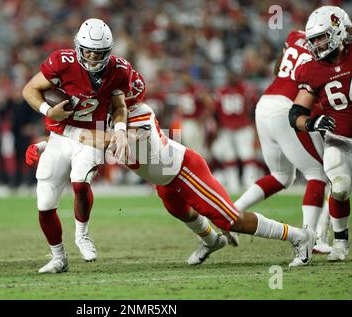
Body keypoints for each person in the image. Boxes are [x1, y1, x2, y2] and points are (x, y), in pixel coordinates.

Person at [27, 71, 317, 268]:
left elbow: (107, 141)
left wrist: (60, 134)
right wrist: (44, 147)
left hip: (183, 171)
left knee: (231, 220)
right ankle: (210, 242)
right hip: (163, 176)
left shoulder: (139, 117)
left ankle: (299, 236)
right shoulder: (110, 118)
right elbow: (85, 143)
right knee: (180, 211)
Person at [22, 18, 131, 273]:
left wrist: (121, 131)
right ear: (78, 47)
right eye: (89, 50)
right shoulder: (62, 61)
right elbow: (29, 89)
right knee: (45, 202)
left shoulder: (119, 69)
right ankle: (58, 258)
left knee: (80, 180)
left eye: (99, 52)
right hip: (61, 135)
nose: (93, 57)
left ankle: (82, 235)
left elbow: (119, 107)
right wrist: (49, 111)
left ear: (109, 51)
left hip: (92, 135)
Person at [233, 25, 330, 252]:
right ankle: (310, 237)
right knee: (317, 174)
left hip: (265, 103)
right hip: (287, 106)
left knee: (281, 176)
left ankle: (231, 212)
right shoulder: (325, 53)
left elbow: (279, 66)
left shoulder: (295, 35)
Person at [289, 6, 352, 262]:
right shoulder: (311, 70)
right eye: (313, 40)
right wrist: (312, 124)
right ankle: (340, 242)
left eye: (321, 37)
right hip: (340, 139)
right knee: (340, 187)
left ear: (338, 31)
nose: (316, 45)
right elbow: (295, 114)